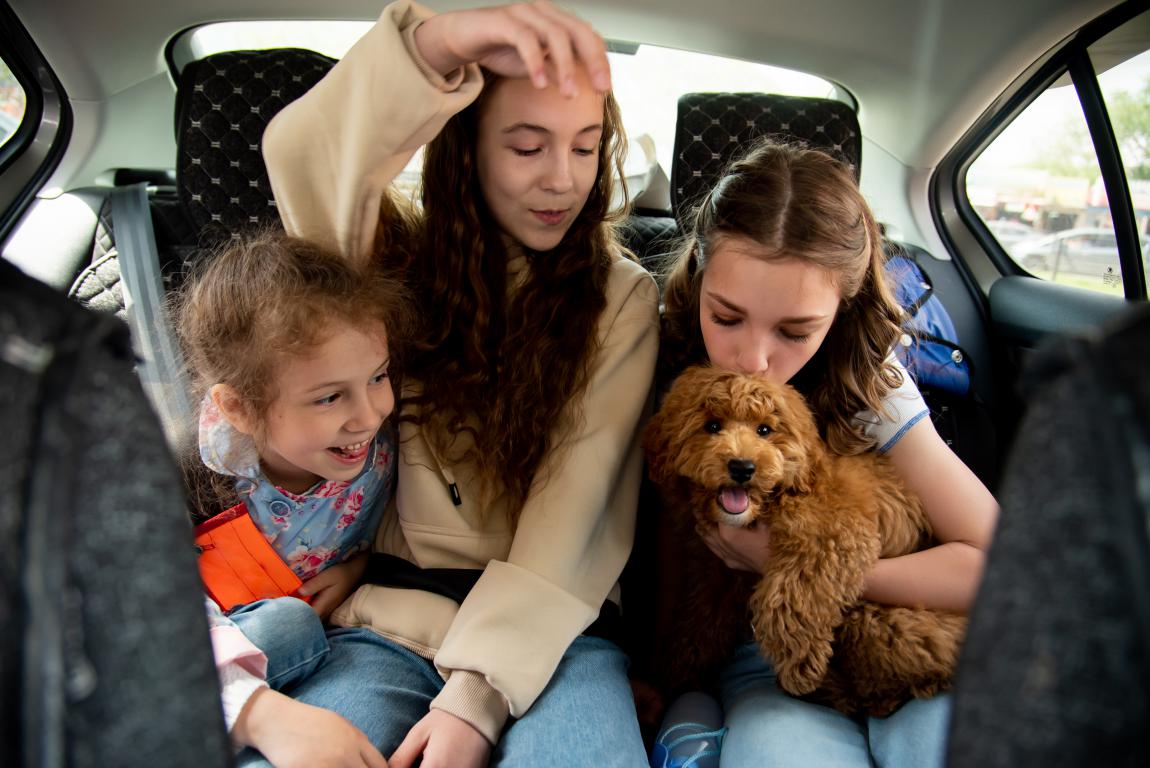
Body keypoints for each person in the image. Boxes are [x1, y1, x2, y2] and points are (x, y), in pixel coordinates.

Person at [256, 1, 660, 767]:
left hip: (556, 638)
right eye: (526, 145)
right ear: (466, 145)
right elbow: (302, 151)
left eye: (584, 147)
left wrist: (477, 698)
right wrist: (436, 44)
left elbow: (579, 503)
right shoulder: (390, 267)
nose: (563, 180)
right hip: (391, 623)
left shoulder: (621, 297)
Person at [655, 139, 1000, 767]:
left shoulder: (870, 384)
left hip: (903, 627)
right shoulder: (664, 357)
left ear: (841, 312)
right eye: (726, 317)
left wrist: (798, 566)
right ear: (698, 278)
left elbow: (994, 562)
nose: (755, 359)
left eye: (794, 332)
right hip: (761, 651)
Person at [176, 231, 411, 767]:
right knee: (289, 625)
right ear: (237, 408)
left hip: (337, 647)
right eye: (329, 397)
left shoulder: (381, 450)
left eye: (378, 377)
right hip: (210, 657)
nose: (369, 415)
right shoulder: (188, 476)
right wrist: (257, 712)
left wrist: (360, 568)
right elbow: (151, 622)